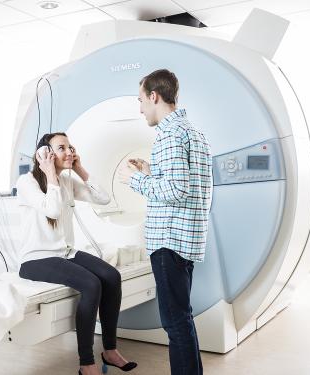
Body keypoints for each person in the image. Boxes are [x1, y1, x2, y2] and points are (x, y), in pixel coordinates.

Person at [16, 132, 137, 375]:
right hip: (36, 259)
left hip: (65, 253)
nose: (70, 151)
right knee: (92, 284)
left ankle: (110, 351)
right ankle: (86, 363)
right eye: (62, 148)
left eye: (70, 147)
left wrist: (80, 169)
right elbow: (51, 209)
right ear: (45, 154)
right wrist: (50, 173)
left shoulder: (67, 181)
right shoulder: (27, 182)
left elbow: (103, 198)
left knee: (111, 276)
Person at [118, 69, 213, 375]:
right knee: (183, 318)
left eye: (141, 100)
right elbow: (193, 187)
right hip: (187, 239)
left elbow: (175, 189)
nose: (141, 108)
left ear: (154, 96)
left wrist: (136, 181)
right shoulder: (193, 132)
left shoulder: (169, 136)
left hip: (168, 241)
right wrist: (150, 170)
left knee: (174, 322)